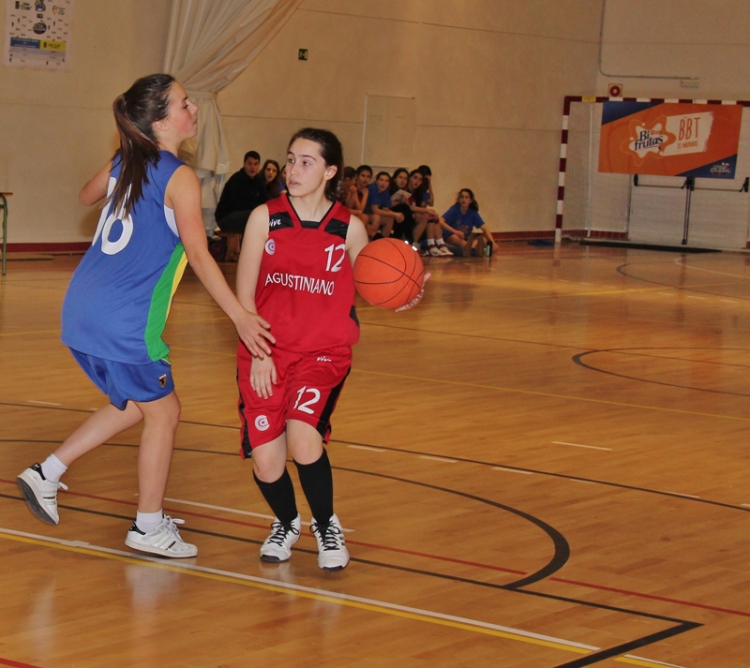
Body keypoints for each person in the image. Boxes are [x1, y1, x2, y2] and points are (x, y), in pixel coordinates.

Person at [16, 74, 275, 558]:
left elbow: (86, 196)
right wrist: (240, 316)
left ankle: (46, 472)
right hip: (125, 319)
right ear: (160, 121)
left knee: (138, 404)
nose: (194, 109)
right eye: (184, 103)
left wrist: (125, 157)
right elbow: (199, 255)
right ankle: (148, 526)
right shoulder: (179, 177)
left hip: (82, 308)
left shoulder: (127, 159)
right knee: (165, 413)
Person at [235, 128, 369, 572]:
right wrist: (259, 353)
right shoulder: (264, 218)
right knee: (266, 462)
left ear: (330, 172)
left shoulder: (349, 229)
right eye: (291, 159)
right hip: (266, 350)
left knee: (304, 437)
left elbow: (376, 284)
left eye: (306, 162)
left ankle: (327, 526)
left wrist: (404, 293)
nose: (293, 169)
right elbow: (244, 295)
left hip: (323, 352)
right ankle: (287, 522)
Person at [215, 150, 268, 260]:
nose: (252, 167)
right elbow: (236, 206)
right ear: (244, 164)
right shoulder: (236, 180)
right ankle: (249, 254)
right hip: (226, 218)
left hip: (247, 217)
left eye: (255, 164)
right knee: (253, 216)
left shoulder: (259, 181)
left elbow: (265, 202)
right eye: (249, 163)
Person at [440, 188, 498, 256]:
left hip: (466, 239)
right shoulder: (454, 210)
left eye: (466, 197)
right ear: (459, 199)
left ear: (470, 200)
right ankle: (474, 249)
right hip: (453, 237)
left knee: (484, 240)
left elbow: (484, 228)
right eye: (462, 197)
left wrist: (492, 242)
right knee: (455, 238)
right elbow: (440, 221)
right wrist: (455, 232)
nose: (464, 200)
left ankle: (472, 248)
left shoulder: (473, 213)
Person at [407, 169, 451, 256]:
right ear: (410, 178)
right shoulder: (405, 191)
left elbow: (431, 202)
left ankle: (439, 243)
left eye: (420, 180)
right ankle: (423, 244)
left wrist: (429, 182)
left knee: (433, 215)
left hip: (419, 222)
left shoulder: (418, 193)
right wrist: (426, 210)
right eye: (415, 178)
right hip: (408, 219)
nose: (417, 181)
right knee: (427, 215)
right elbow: (409, 207)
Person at [365, 171, 404, 239]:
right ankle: (371, 241)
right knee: (376, 217)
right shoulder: (373, 188)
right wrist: (395, 214)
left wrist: (396, 215)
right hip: (365, 213)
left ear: (389, 183)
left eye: (386, 181)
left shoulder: (385, 191)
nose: (383, 183)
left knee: (390, 218)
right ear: (376, 181)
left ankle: (383, 241)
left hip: (371, 214)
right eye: (381, 180)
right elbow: (375, 210)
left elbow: (385, 208)